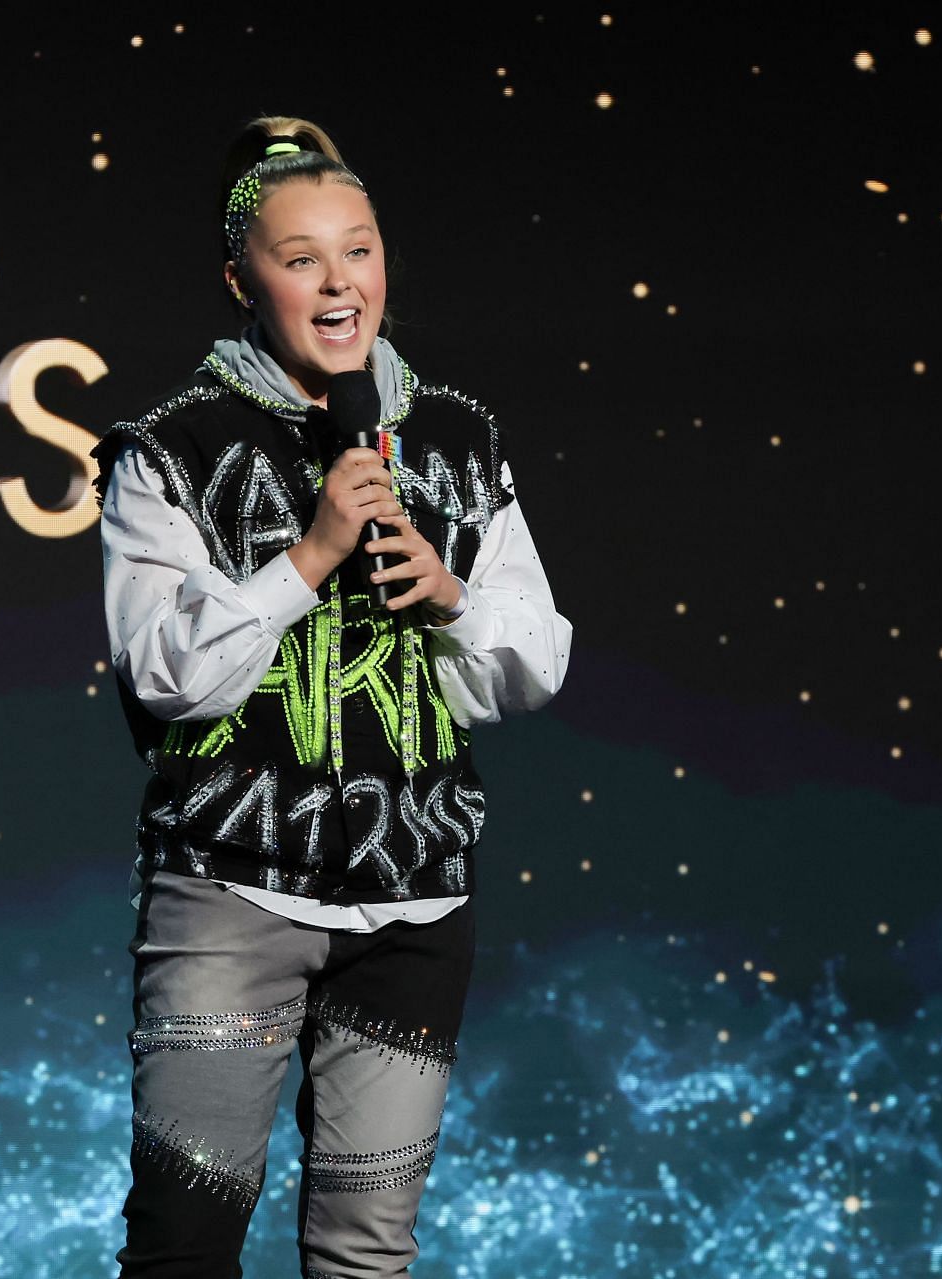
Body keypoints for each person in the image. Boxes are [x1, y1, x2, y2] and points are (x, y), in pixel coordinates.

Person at [90, 115, 572, 1279]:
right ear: (242, 280)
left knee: (368, 1255)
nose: (338, 282)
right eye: (300, 258)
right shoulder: (171, 449)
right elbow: (163, 675)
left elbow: (538, 661)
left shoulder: (456, 438)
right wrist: (308, 559)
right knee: (184, 1247)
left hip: (414, 912)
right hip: (230, 899)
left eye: (357, 249)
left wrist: (451, 595)